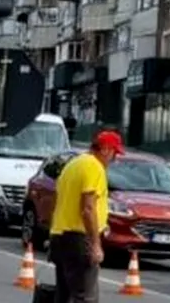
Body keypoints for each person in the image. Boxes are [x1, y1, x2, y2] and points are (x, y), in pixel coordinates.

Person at [48, 129, 125, 303]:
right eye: (114, 153)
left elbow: (56, 199)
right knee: (85, 297)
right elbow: (88, 208)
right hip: (78, 239)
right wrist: (96, 244)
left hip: (59, 236)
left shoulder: (73, 164)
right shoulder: (94, 167)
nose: (114, 159)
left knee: (64, 294)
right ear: (105, 149)